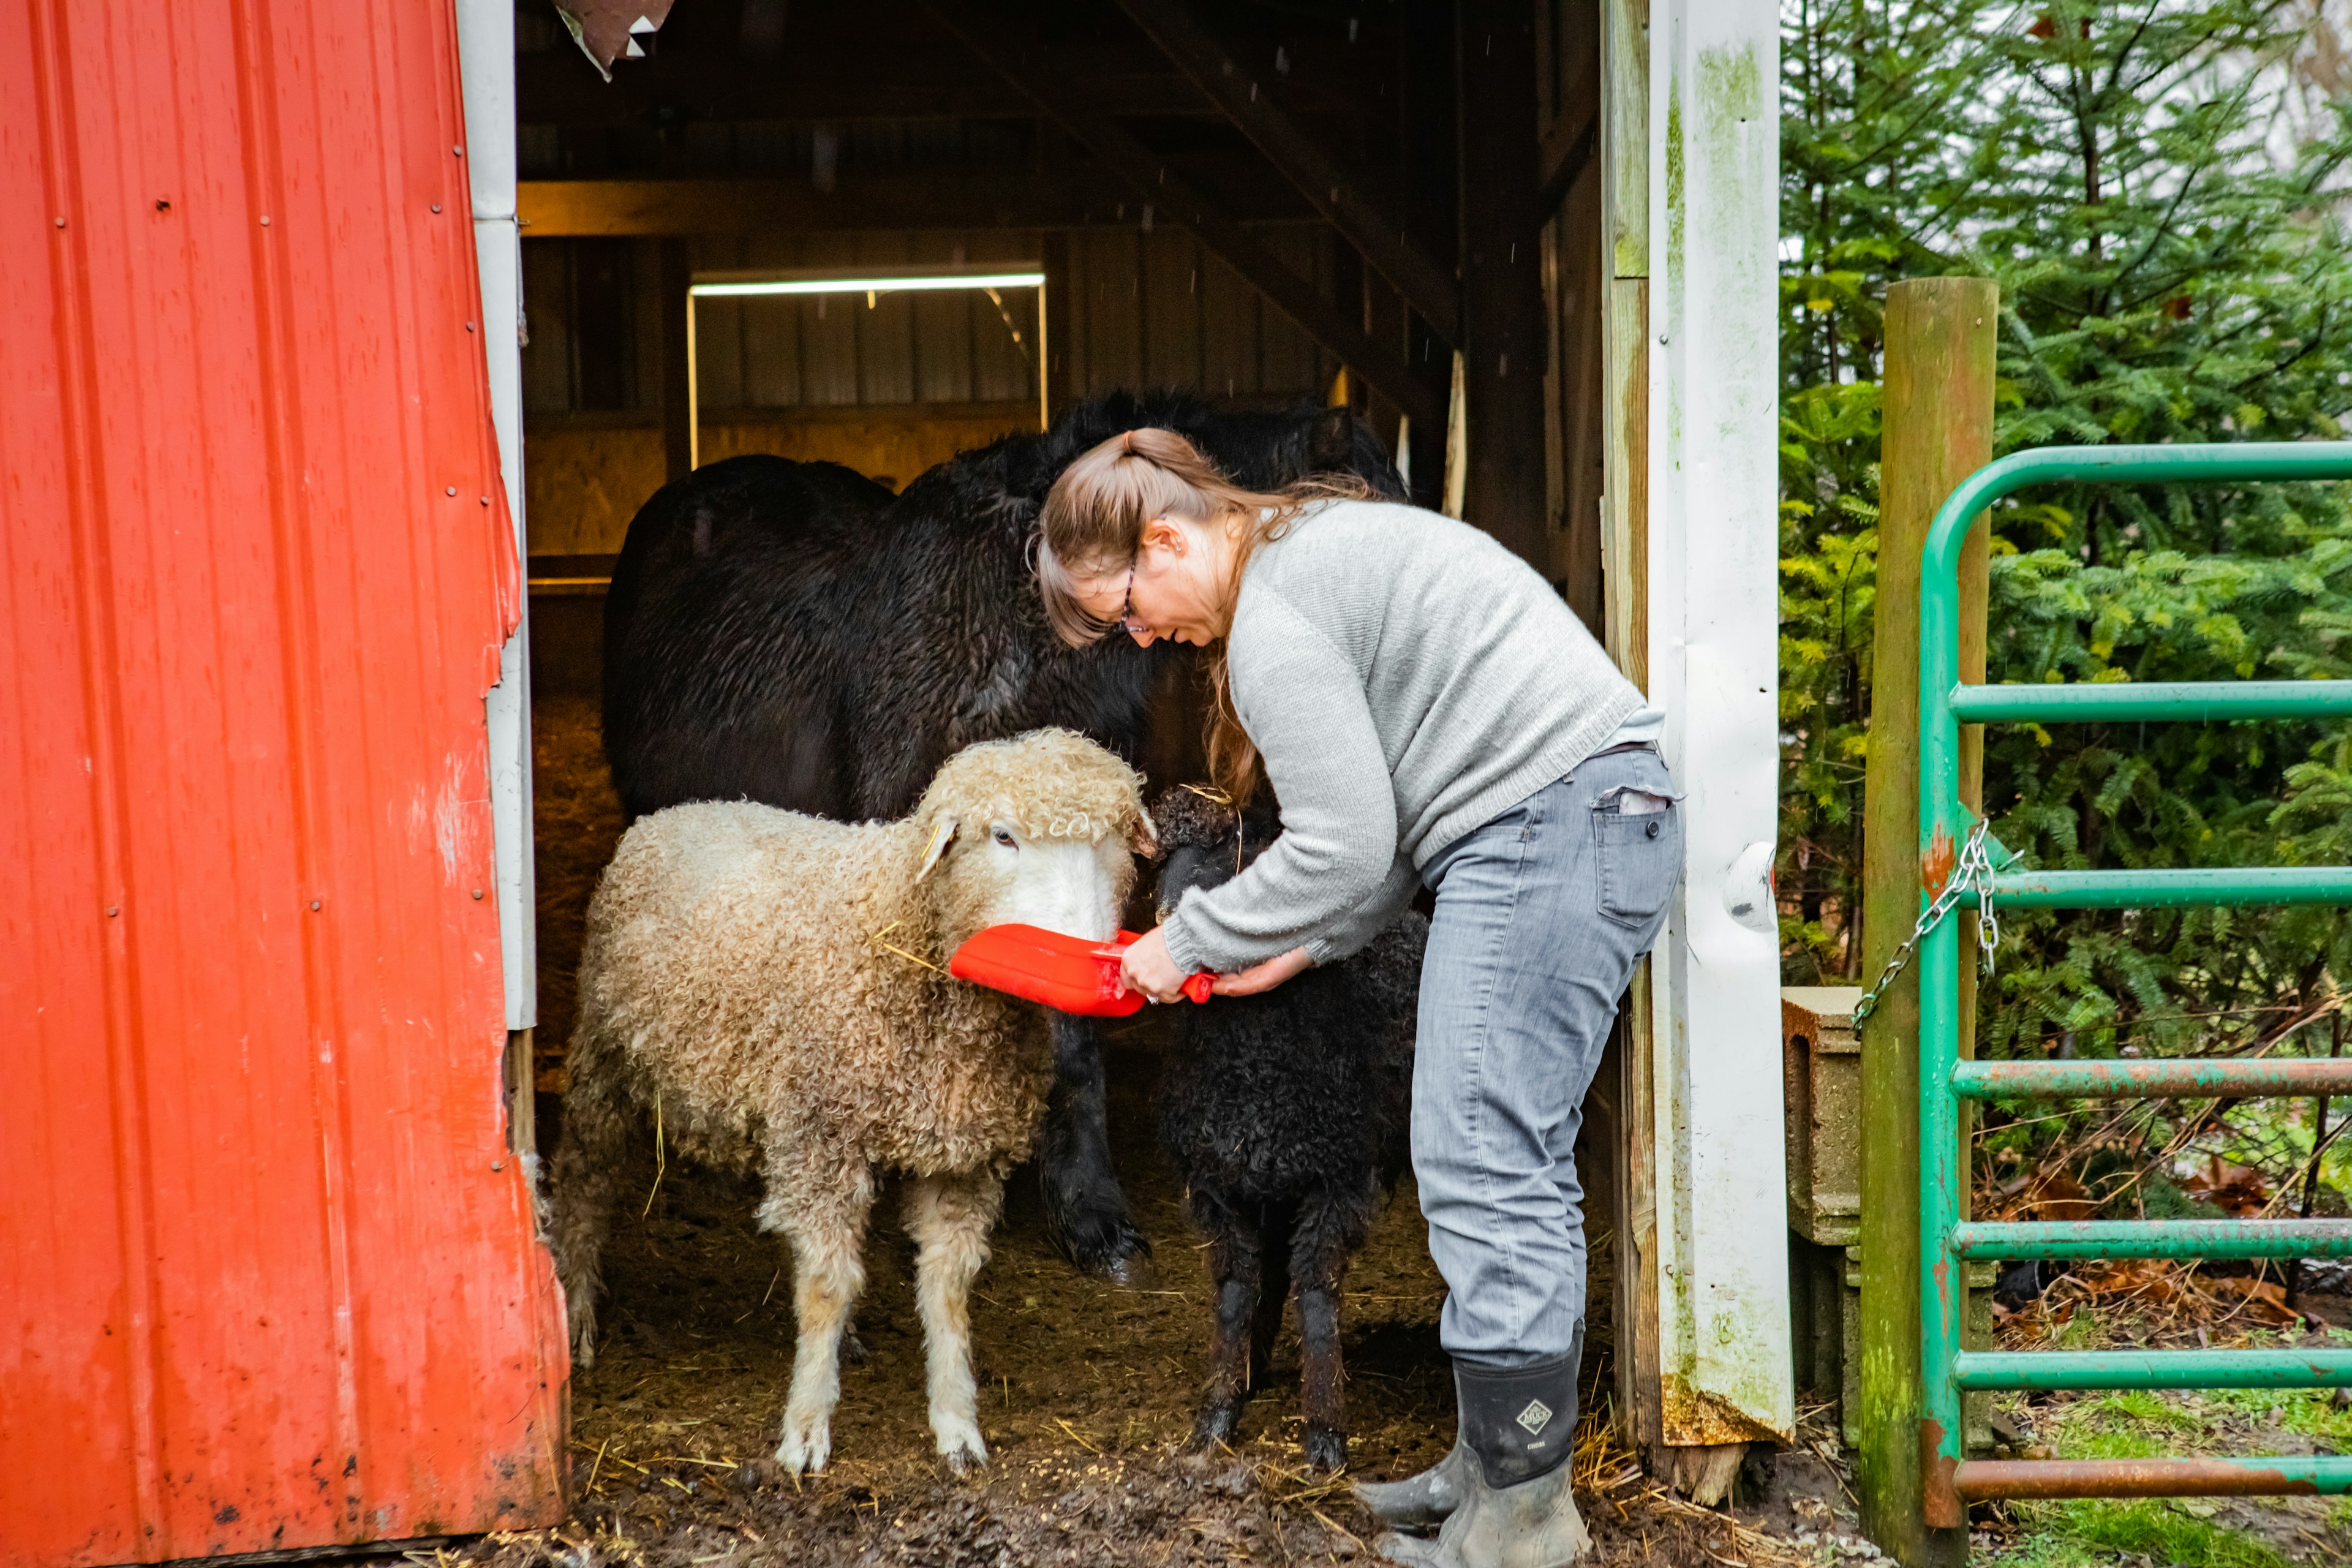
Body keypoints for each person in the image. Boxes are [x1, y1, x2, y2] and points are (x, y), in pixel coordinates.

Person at [1034, 428, 1682, 1568]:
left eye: (1127, 607)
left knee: (1487, 1158)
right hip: (1562, 820)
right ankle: (1490, 1473)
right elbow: (1385, 824)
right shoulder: (1306, 551)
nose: (1145, 637)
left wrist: (1176, 942)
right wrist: (1305, 944)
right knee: (1482, 1153)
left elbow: (1340, 841)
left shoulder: (1276, 624)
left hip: (1549, 826)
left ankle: (1523, 1521)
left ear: (1167, 538)